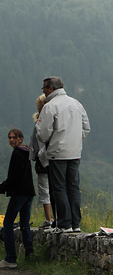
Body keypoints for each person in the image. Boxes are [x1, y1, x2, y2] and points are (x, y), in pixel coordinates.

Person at [36, 76, 90, 234]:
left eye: (44, 88)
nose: (44, 92)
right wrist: (75, 141)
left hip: (56, 153)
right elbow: (86, 128)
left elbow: (43, 133)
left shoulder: (50, 106)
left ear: (51, 88)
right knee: (73, 187)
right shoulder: (76, 103)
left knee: (59, 188)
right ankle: (75, 223)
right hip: (74, 152)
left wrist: (51, 141)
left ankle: (64, 224)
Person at [0, 129, 35, 269]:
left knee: (8, 223)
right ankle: (30, 256)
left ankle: (10, 258)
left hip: (19, 193)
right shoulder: (26, 152)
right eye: (9, 137)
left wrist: (1, 188)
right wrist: (4, 185)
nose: (11, 140)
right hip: (28, 192)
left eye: (14, 137)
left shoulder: (17, 154)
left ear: (21, 138)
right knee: (24, 224)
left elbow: (14, 178)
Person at [29, 94, 53, 229]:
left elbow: (40, 142)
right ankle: (56, 218)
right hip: (55, 159)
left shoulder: (40, 122)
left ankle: (49, 219)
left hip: (44, 160)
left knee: (45, 190)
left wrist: (39, 154)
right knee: (55, 189)